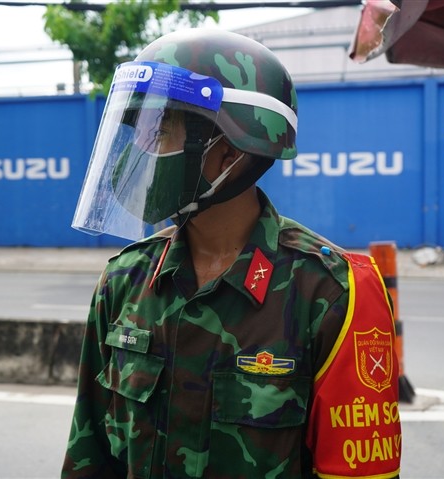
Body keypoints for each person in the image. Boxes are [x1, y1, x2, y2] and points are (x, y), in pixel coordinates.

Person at [63, 28, 401, 479]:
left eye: (160, 132)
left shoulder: (333, 291)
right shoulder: (125, 280)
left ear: (227, 151)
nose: (141, 154)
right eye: (141, 135)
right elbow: (90, 457)